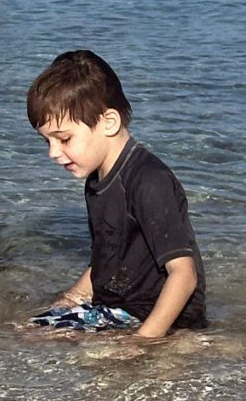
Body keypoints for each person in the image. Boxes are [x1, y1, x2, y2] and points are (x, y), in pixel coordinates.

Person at [26, 50, 207, 337]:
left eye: (64, 139)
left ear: (108, 122)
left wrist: (143, 343)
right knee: (26, 331)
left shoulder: (149, 182)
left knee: (44, 339)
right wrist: (67, 300)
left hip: (158, 318)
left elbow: (184, 276)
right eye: (46, 141)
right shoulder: (98, 179)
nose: (53, 153)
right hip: (120, 309)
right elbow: (106, 263)